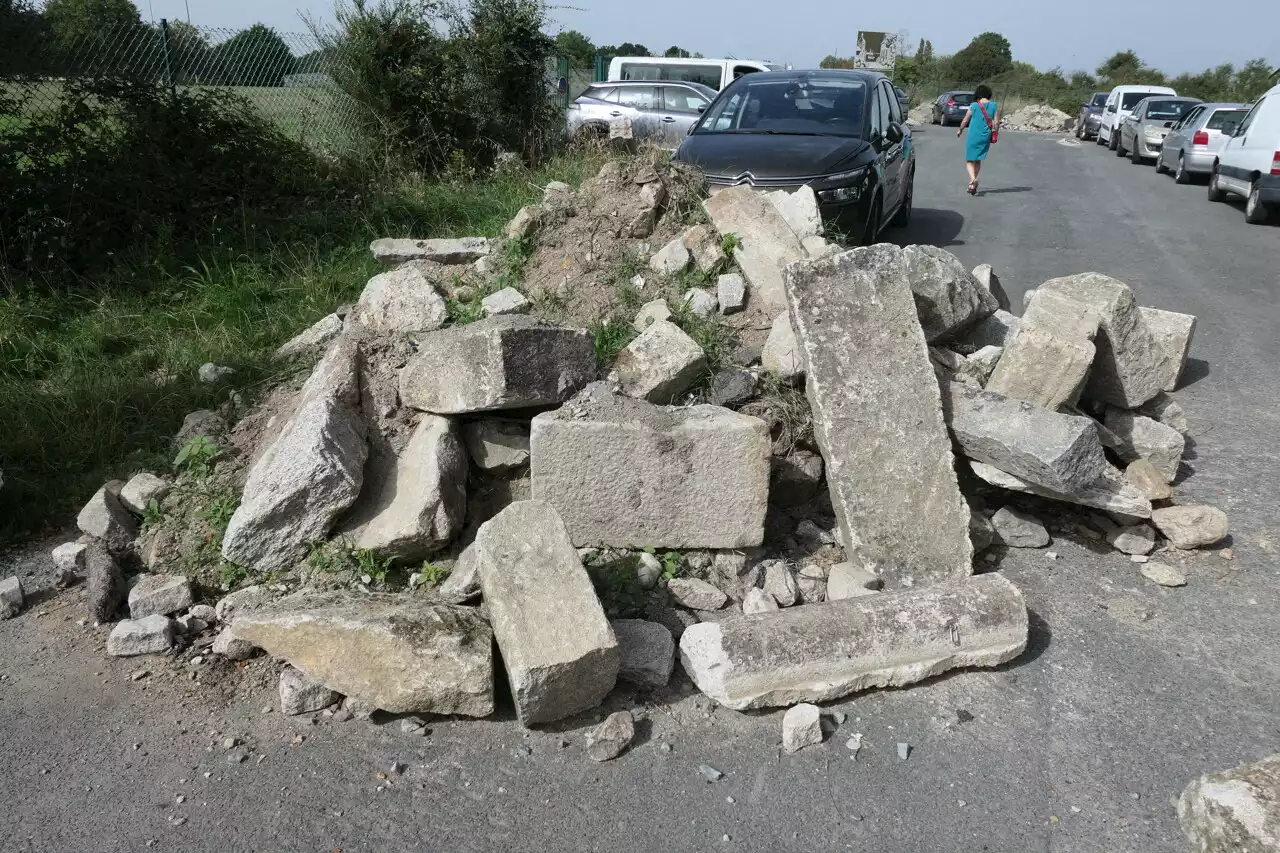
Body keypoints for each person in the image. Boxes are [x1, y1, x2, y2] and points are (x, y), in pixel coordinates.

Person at [957, 84, 1000, 194]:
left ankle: (973, 180)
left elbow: (966, 120)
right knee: (977, 160)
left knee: (969, 160)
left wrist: (960, 130)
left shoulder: (974, 106)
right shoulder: (994, 106)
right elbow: (996, 122)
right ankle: (972, 186)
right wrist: (995, 134)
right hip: (985, 136)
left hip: (973, 136)